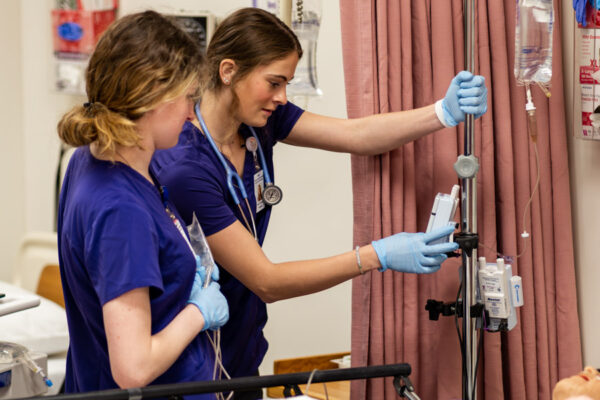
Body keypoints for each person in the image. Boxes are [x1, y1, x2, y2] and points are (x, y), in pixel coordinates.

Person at [152, 7, 487, 399]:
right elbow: (267, 280)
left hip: (241, 341)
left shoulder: (258, 123)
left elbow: (356, 136)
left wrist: (441, 113)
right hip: (190, 353)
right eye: (274, 83)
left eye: (287, 84)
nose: (282, 97)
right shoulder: (184, 168)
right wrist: (374, 255)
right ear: (228, 71)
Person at [56, 11, 229, 398]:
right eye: (188, 98)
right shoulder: (121, 209)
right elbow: (132, 369)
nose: (190, 112)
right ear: (155, 98)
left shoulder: (91, 159)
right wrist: (197, 314)